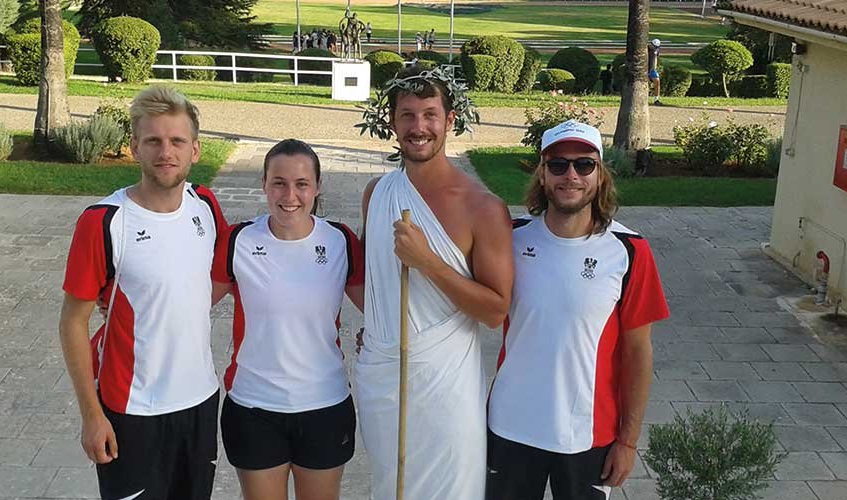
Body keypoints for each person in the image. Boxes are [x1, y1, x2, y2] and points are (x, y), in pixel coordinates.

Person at [59, 84, 228, 500]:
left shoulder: (204, 204)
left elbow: (221, 278)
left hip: (201, 402)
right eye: (153, 140)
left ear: (196, 150)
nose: (165, 151)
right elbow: (72, 323)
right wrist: (91, 415)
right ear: (135, 147)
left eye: (176, 141)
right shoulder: (103, 222)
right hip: (132, 410)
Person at [486, 120, 669, 500]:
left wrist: (629, 441)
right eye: (558, 165)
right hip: (510, 425)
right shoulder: (509, 237)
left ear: (600, 174)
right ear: (542, 174)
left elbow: (639, 352)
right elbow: (466, 299)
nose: (571, 176)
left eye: (584, 165)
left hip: (588, 433)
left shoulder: (630, 251)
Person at [356, 65, 514, 499]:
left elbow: (496, 312)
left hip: (446, 384)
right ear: (391, 122)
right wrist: (377, 330)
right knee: (392, 486)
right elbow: (377, 285)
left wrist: (428, 261)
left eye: (430, 114)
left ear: (450, 120)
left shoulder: (483, 207)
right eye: (407, 115)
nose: (418, 127)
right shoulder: (377, 194)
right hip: (384, 379)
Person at [211, 139, 365, 500]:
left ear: (317, 186)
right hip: (253, 406)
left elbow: (381, 309)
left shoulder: (340, 240)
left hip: (324, 405)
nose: (289, 195)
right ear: (264, 184)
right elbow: (191, 304)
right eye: (278, 182)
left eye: (301, 184)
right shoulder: (238, 240)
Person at [649, 38, 662, 105]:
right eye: (654, 46)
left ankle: (656, 99)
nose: (655, 48)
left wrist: (655, 68)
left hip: (652, 70)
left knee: (657, 82)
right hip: (644, 69)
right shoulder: (645, 49)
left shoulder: (657, 51)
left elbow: (656, 59)